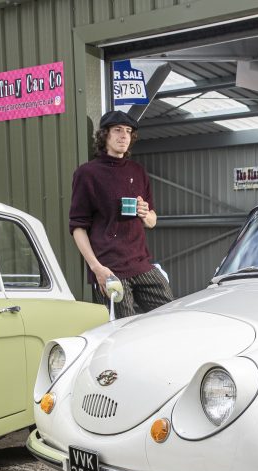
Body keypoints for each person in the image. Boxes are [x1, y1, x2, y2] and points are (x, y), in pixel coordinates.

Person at [69, 110, 173, 317]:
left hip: (142, 264)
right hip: (109, 269)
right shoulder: (87, 173)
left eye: (128, 131)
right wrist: (96, 268)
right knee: (121, 331)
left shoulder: (138, 171)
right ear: (104, 135)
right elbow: (78, 227)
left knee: (169, 317)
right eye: (117, 130)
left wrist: (145, 213)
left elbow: (152, 221)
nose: (124, 136)